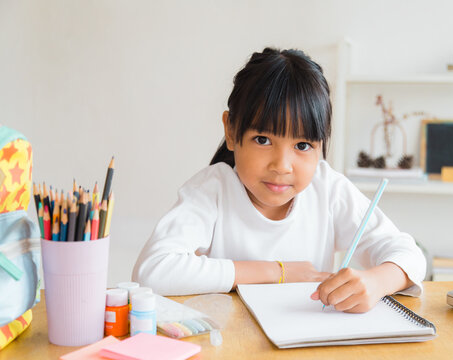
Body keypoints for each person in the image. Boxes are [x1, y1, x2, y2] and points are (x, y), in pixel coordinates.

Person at [132, 48, 426, 313]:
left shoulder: (328, 189)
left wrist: (376, 282)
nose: (282, 166)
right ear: (232, 132)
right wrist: (279, 272)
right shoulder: (213, 190)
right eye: (263, 139)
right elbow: (153, 271)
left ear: (321, 146)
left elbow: (410, 256)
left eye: (302, 146)